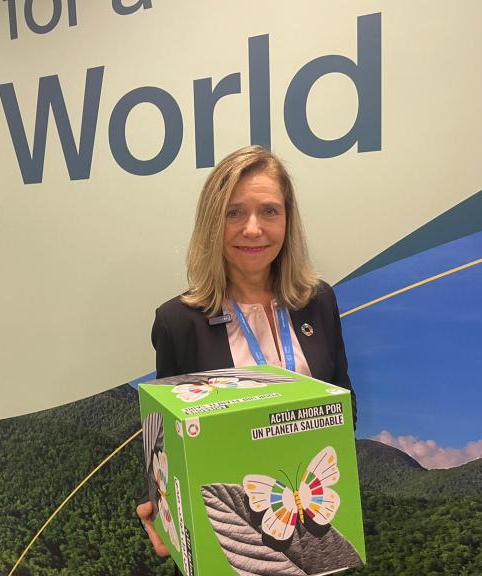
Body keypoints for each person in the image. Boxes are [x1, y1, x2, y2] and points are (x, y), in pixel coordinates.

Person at [135, 145, 356, 571]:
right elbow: (167, 436)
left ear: (288, 221)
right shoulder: (178, 322)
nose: (253, 229)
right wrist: (163, 511)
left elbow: (344, 404)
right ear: (211, 223)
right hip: (234, 538)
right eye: (234, 213)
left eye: (269, 211)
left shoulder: (318, 301)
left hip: (313, 527)